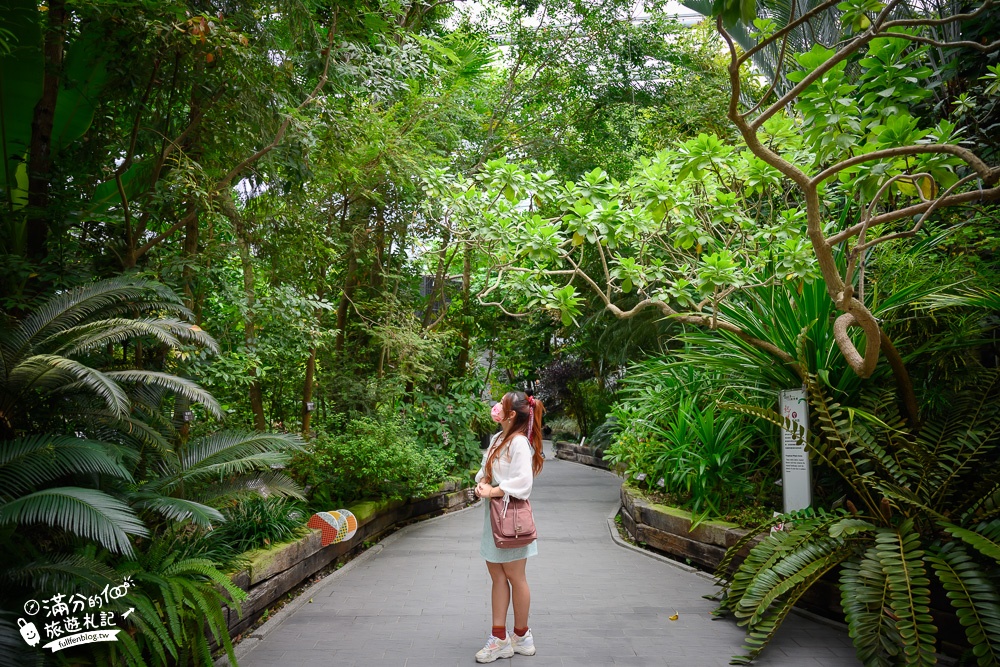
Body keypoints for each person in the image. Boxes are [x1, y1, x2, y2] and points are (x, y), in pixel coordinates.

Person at [473, 391, 544, 663]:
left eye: (500, 405)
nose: (495, 408)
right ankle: (500, 637)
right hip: (493, 519)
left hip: (512, 521)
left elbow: (523, 484)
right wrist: (481, 483)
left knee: (516, 577)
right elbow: (485, 470)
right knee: (497, 577)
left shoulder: (519, 443)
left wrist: (493, 491)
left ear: (511, 414)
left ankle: (522, 636)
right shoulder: (497, 439)